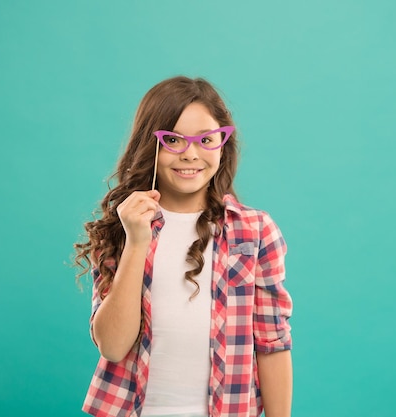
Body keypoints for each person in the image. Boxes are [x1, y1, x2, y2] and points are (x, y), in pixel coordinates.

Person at [74, 76, 293, 417]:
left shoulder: (254, 231)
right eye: (173, 139)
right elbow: (113, 346)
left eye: (206, 139)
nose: (191, 154)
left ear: (223, 143)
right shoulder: (125, 225)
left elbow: (272, 344)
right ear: (151, 144)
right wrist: (135, 242)